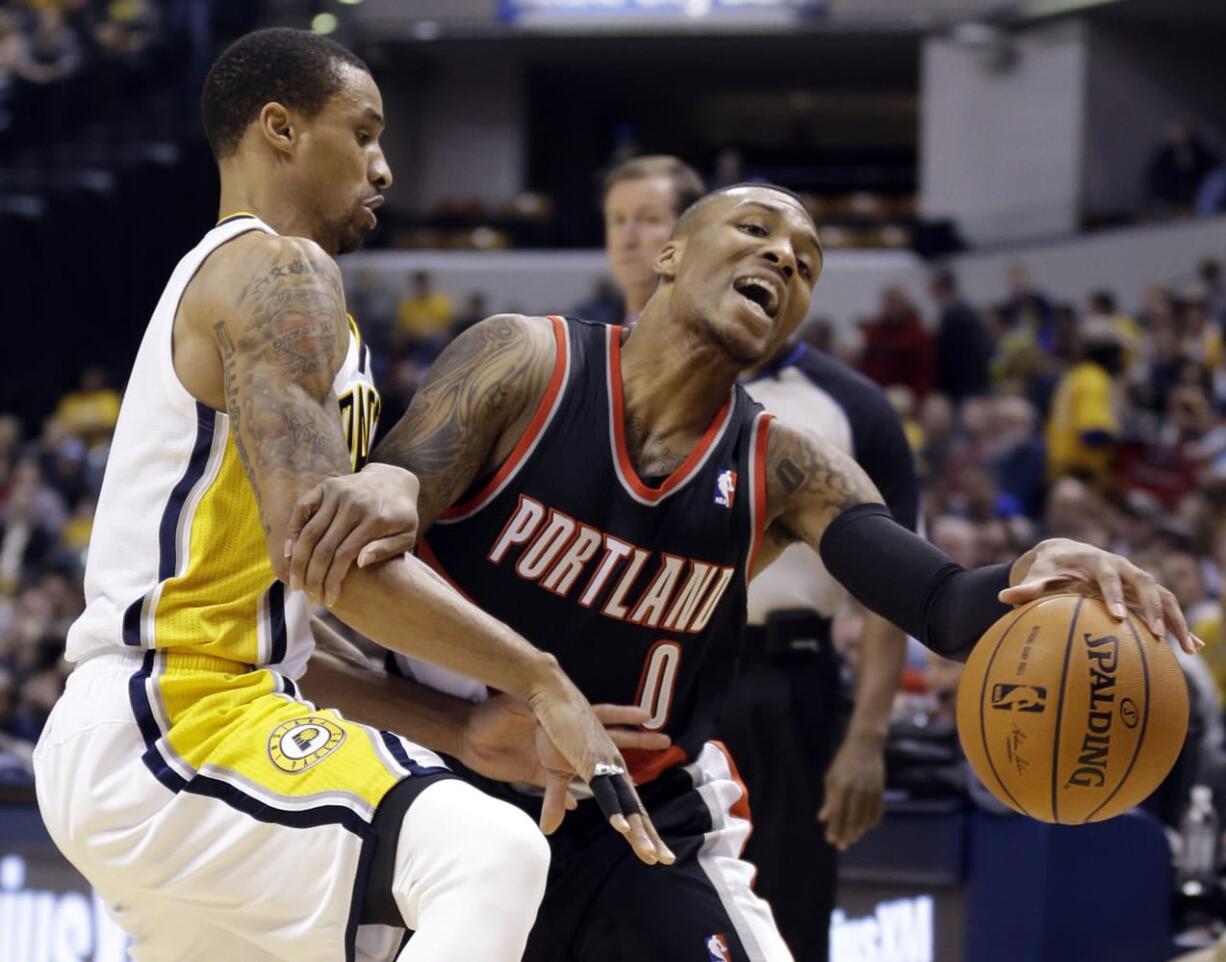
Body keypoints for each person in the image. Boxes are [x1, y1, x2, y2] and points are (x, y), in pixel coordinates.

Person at [288, 181, 1195, 962]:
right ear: (671, 254)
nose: (785, 258)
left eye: (806, 261)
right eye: (757, 229)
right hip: (436, 781)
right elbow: (376, 526)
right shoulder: (528, 359)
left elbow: (942, 605)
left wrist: (1034, 567)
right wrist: (388, 487)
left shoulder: (786, 467)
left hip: (638, 823)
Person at [32, 28, 669, 962]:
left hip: (191, 720)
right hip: (170, 717)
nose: (384, 170)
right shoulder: (277, 271)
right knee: (483, 855)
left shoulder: (272, 295)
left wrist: (460, 728)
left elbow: (290, 628)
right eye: (363, 135)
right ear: (280, 129)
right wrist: (541, 678)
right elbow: (335, 570)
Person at [601, 154, 918, 961]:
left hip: (787, 681)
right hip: (636, 676)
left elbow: (900, 588)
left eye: (649, 217)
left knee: (786, 920)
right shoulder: (574, 370)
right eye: (620, 221)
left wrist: (868, 736)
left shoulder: (848, 409)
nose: (634, 239)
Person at [600, 155, 705, 325]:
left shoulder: (724, 341)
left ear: (693, 232)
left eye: (649, 219)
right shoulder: (581, 338)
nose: (628, 240)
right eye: (618, 220)